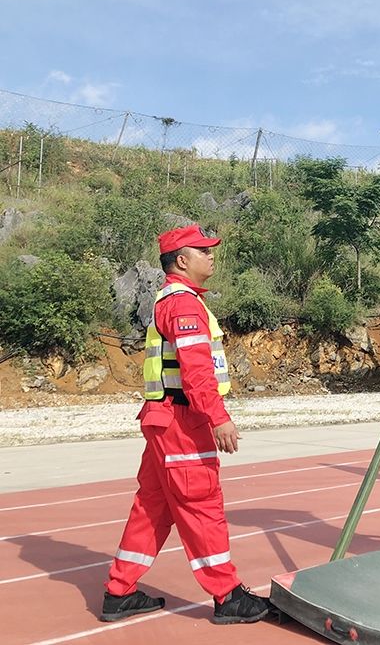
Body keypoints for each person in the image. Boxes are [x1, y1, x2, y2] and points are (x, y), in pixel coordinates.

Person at [101, 224, 272, 625]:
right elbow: (197, 374)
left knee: (152, 507)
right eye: (203, 251)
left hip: (164, 419)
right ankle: (227, 595)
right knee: (201, 503)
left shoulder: (176, 300)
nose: (211, 256)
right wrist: (219, 417)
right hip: (182, 422)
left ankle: (119, 592)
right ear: (181, 260)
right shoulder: (184, 306)